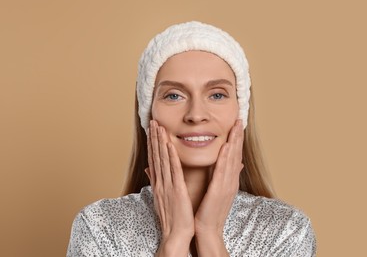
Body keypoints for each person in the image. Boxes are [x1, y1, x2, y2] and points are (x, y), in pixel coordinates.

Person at [67, 21, 316, 257]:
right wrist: (175, 239)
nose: (196, 115)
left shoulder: (286, 230)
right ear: (148, 112)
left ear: (240, 112)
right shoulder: (100, 226)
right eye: (174, 96)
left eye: (217, 95)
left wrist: (210, 236)